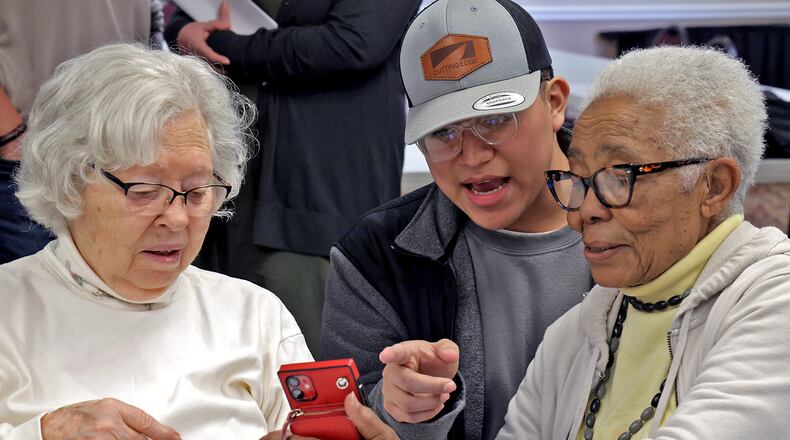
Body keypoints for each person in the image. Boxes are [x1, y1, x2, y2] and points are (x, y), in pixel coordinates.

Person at [340, 45, 790, 440]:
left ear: (714, 186)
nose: (583, 212)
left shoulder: (774, 299)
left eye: (620, 177)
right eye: (579, 179)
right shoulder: (582, 328)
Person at [0, 43, 313, 439]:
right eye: (145, 191)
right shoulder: (10, 310)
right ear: (70, 183)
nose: (177, 218)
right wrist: (43, 433)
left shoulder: (254, 316)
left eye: (197, 192)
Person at [320, 0, 593, 438]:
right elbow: (349, 413)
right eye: (443, 132)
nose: (472, 155)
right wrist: (403, 409)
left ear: (554, 102)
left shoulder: (645, 219)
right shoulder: (375, 255)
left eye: (496, 119)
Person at [164, 0, 422, 355]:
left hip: (319, 184)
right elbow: (196, 9)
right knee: (215, 348)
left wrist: (226, 46)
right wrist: (180, 29)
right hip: (227, 176)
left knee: (308, 356)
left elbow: (354, 42)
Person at [0, 0, 165, 264]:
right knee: (45, 284)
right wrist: (11, 138)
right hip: (30, 154)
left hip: (128, 146)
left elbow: (151, 18)